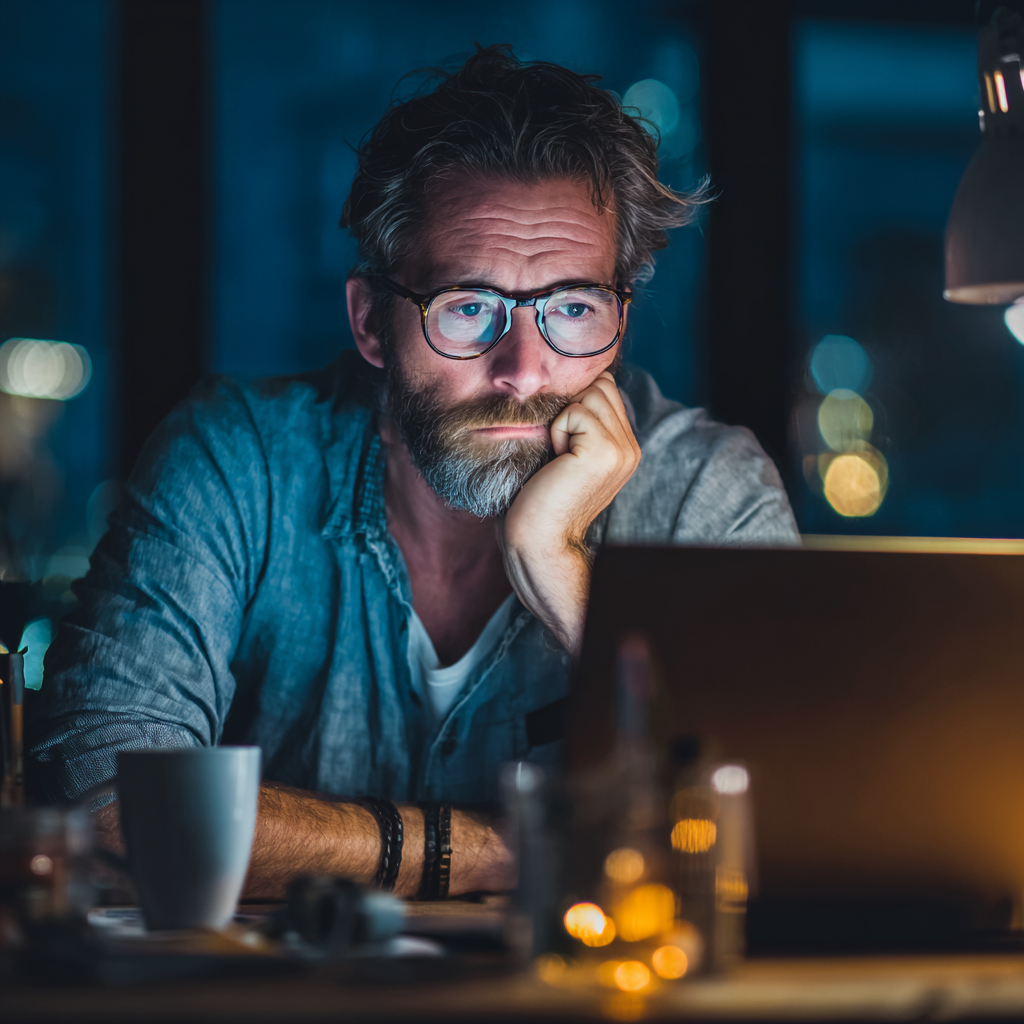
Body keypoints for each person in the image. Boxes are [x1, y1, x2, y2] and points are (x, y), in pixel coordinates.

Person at [26, 46, 798, 899]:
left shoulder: (706, 488)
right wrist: (525, 847)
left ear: (620, 319)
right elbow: (99, 800)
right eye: (469, 308)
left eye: (573, 309)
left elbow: (788, 823)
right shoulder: (236, 457)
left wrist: (565, 573)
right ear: (370, 325)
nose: (524, 370)